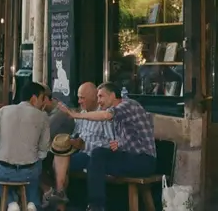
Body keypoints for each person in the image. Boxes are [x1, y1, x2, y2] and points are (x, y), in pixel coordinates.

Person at [57, 82, 156, 211]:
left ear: (113, 95)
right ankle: (95, 205)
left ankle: (96, 206)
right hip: (129, 158)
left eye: (101, 97)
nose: (99, 101)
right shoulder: (117, 116)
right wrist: (119, 143)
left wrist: (75, 115)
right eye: (97, 97)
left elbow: (105, 116)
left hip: (144, 161)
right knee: (96, 156)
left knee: (97, 156)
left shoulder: (128, 104)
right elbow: (130, 136)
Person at [0, 82, 51, 211]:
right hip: (28, 172)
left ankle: (11, 203)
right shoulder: (43, 117)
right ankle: (31, 202)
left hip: (3, 171)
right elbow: (43, 151)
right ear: (34, 98)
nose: (44, 103)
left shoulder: (4, 111)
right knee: (36, 166)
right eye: (43, 98)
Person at [46, 82, 113, 207]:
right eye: (78, 97)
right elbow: (76, 133)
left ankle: (60, 198)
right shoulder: (82, 113)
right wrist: (70, 141)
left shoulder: (104, 114)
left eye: (82, 98)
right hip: (80, 153)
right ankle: (60, 194)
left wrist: (84, 145)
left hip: (94, 157)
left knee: (59, 162)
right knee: (57, 153)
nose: (79, 101)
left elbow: (108, 144)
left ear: (94, 97)